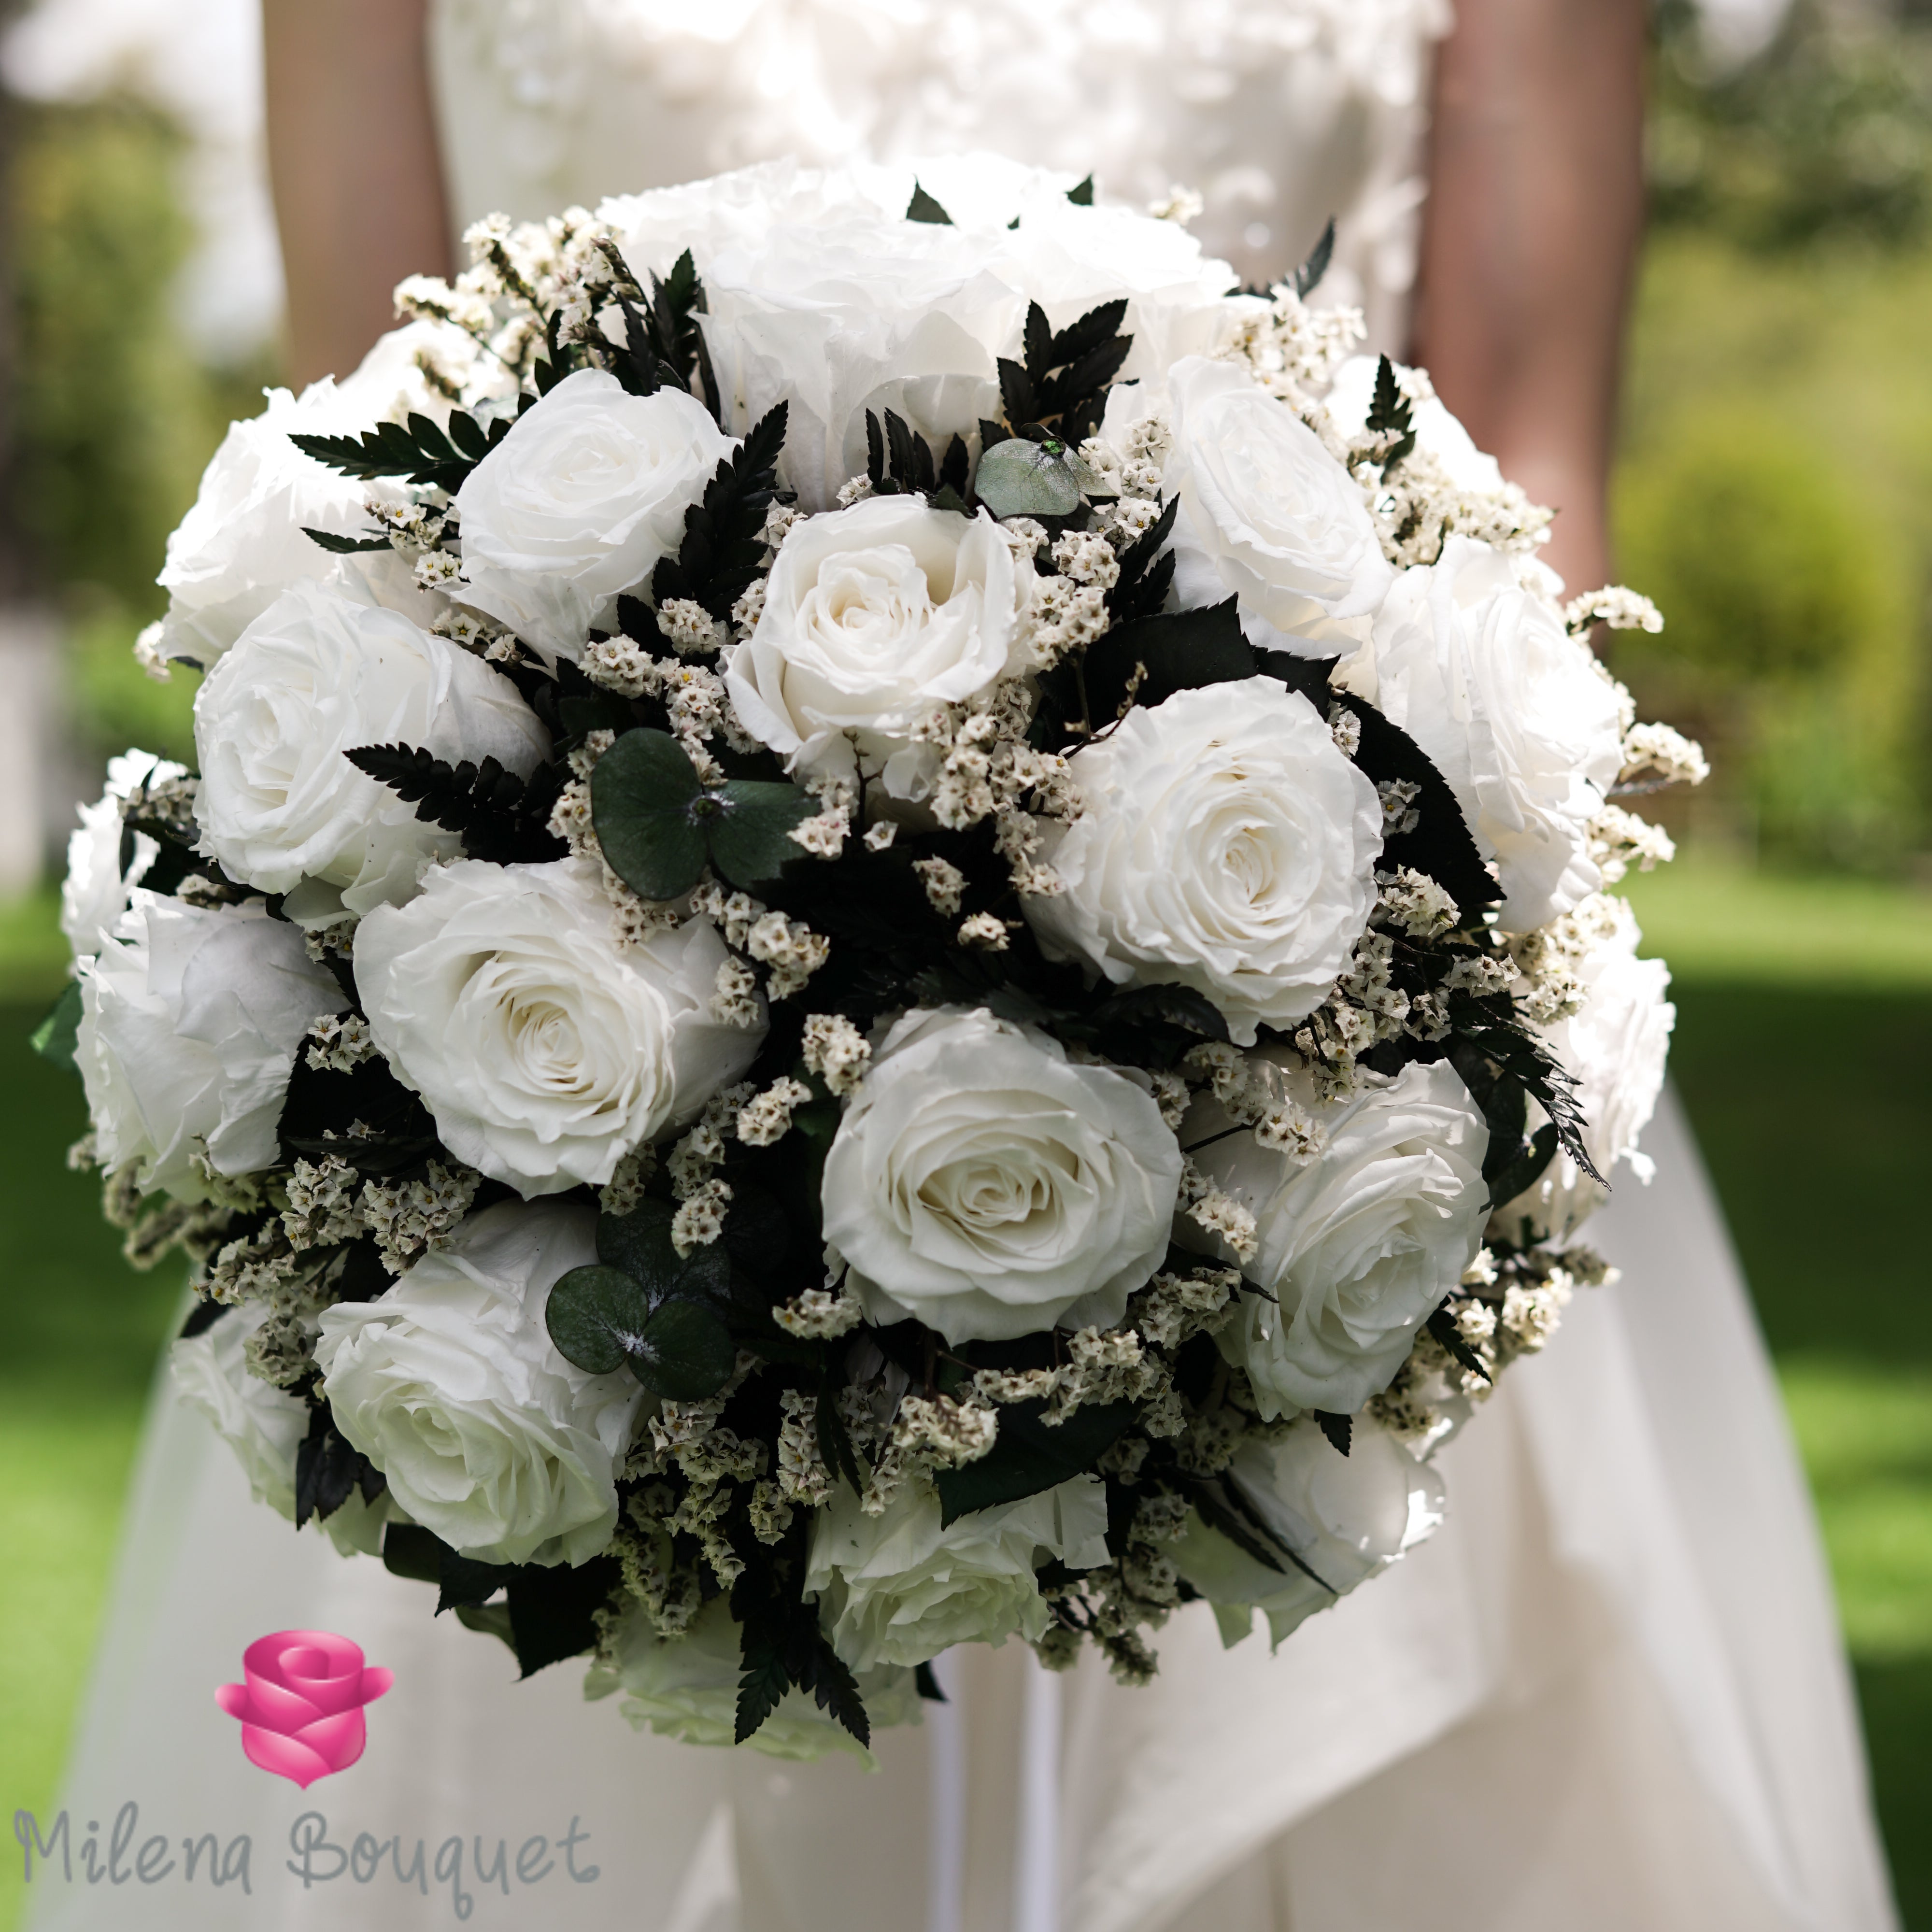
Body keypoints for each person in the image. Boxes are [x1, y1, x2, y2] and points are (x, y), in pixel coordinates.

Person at [31, 3, 1896, 1929]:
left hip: (1290, 1079)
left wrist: (1288, 1103)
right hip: (564, 1103)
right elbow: (373, 493)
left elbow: (1529, 536)